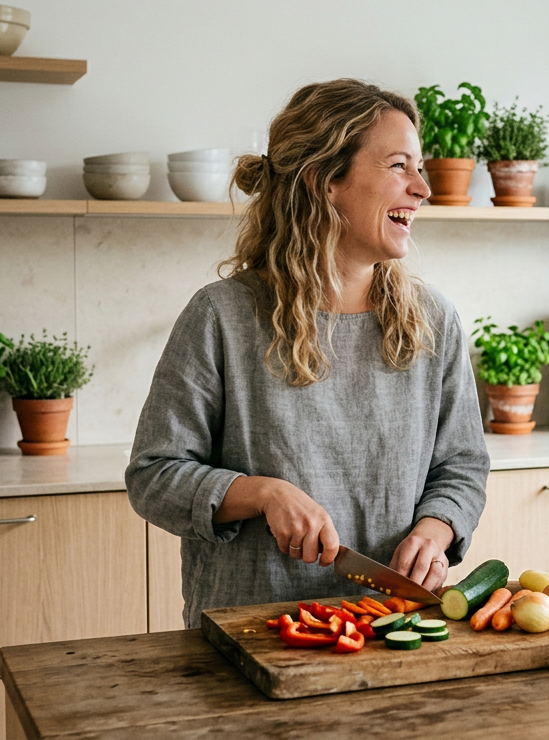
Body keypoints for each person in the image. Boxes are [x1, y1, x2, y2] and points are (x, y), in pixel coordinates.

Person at [127, 79, 490, 627]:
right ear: (325, 182)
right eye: (399, 166)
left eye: (420, 168)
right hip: (250, 637)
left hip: (387, 628)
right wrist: (259, 493)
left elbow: (462, 465)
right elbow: (154, 477)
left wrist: (435, 529)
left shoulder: (434, 320)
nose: (423, 188)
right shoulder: (222, 317)